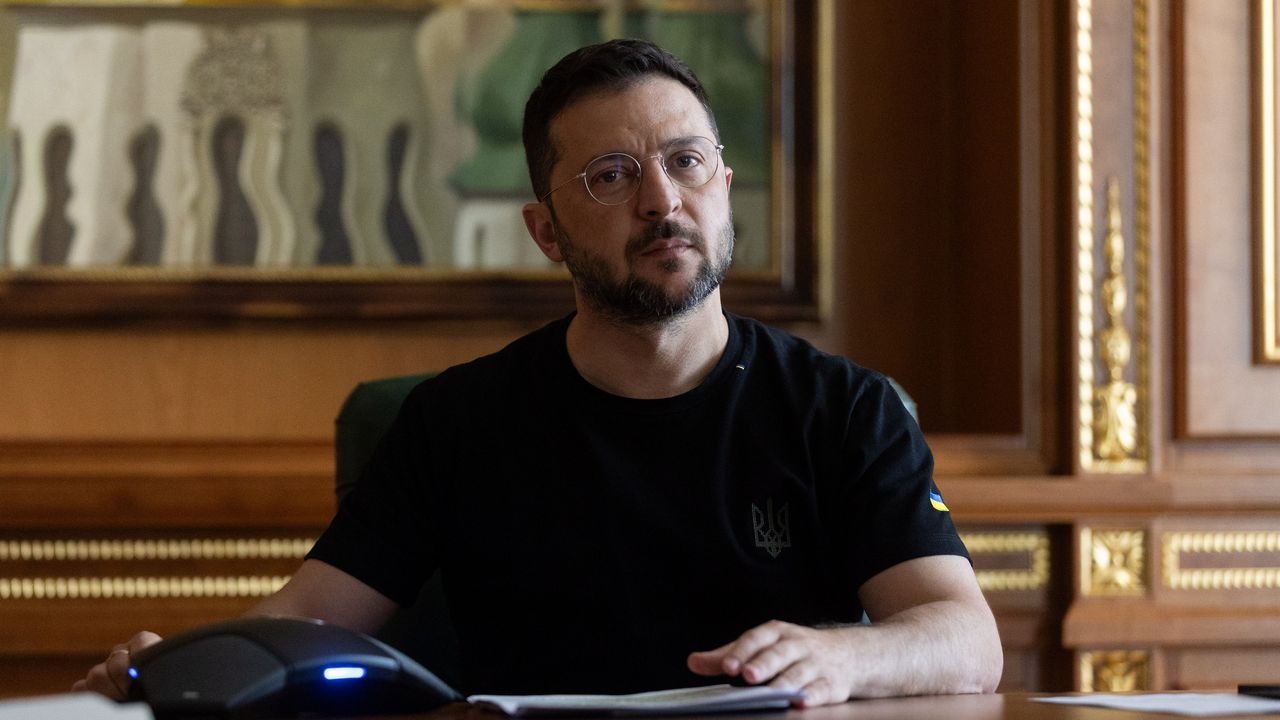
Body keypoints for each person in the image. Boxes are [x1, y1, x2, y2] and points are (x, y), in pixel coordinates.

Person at [76, 39, 1002, 706]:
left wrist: (842, 658)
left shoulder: (843, 409)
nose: (661, 200)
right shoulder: (456, 422)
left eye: (686, 162)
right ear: (546, 231)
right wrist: (181, 665)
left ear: (723, 189)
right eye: (612, 175)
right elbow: (309, 621)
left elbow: (964, 637)